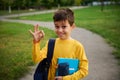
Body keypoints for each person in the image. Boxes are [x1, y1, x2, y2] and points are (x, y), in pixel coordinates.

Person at [29, 8, 88, 80]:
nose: (60, 30)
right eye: (57, 26)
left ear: (72, 27)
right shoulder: (51, 43)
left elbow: (84, 70)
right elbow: (36, 59)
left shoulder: (78, 46)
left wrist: (64, 78)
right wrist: (36, 43)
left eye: (64, 26)